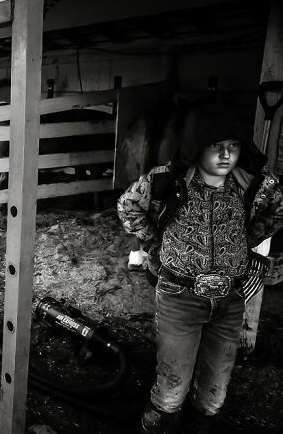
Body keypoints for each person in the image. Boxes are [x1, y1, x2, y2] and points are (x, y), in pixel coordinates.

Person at [116, 103, 283, 433]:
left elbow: (278, 210)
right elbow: (128, 206)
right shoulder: (166, 181)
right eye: (215, 146)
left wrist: (245, 240)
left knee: (213, 394)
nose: (225, 155)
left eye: (233, 146)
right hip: (180, 297)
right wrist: (154, 243)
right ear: (196, 146)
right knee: (171, 388)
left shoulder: (251, 186)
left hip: (231, 300)